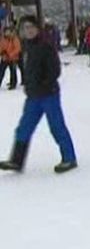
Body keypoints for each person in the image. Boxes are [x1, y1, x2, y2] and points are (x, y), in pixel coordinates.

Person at [0, 15, 78, 173]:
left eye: (31, 27)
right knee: (24, 128)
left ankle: (69, 158)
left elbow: (55, 70)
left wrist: (44, 84)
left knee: (57, 127)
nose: (28, 31)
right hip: (33, 96)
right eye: (25, 28)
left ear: (37, 28)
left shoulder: (46, 45)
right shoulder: (26, 45)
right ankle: (16, 160)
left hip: (49, 94)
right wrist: (28, 84)